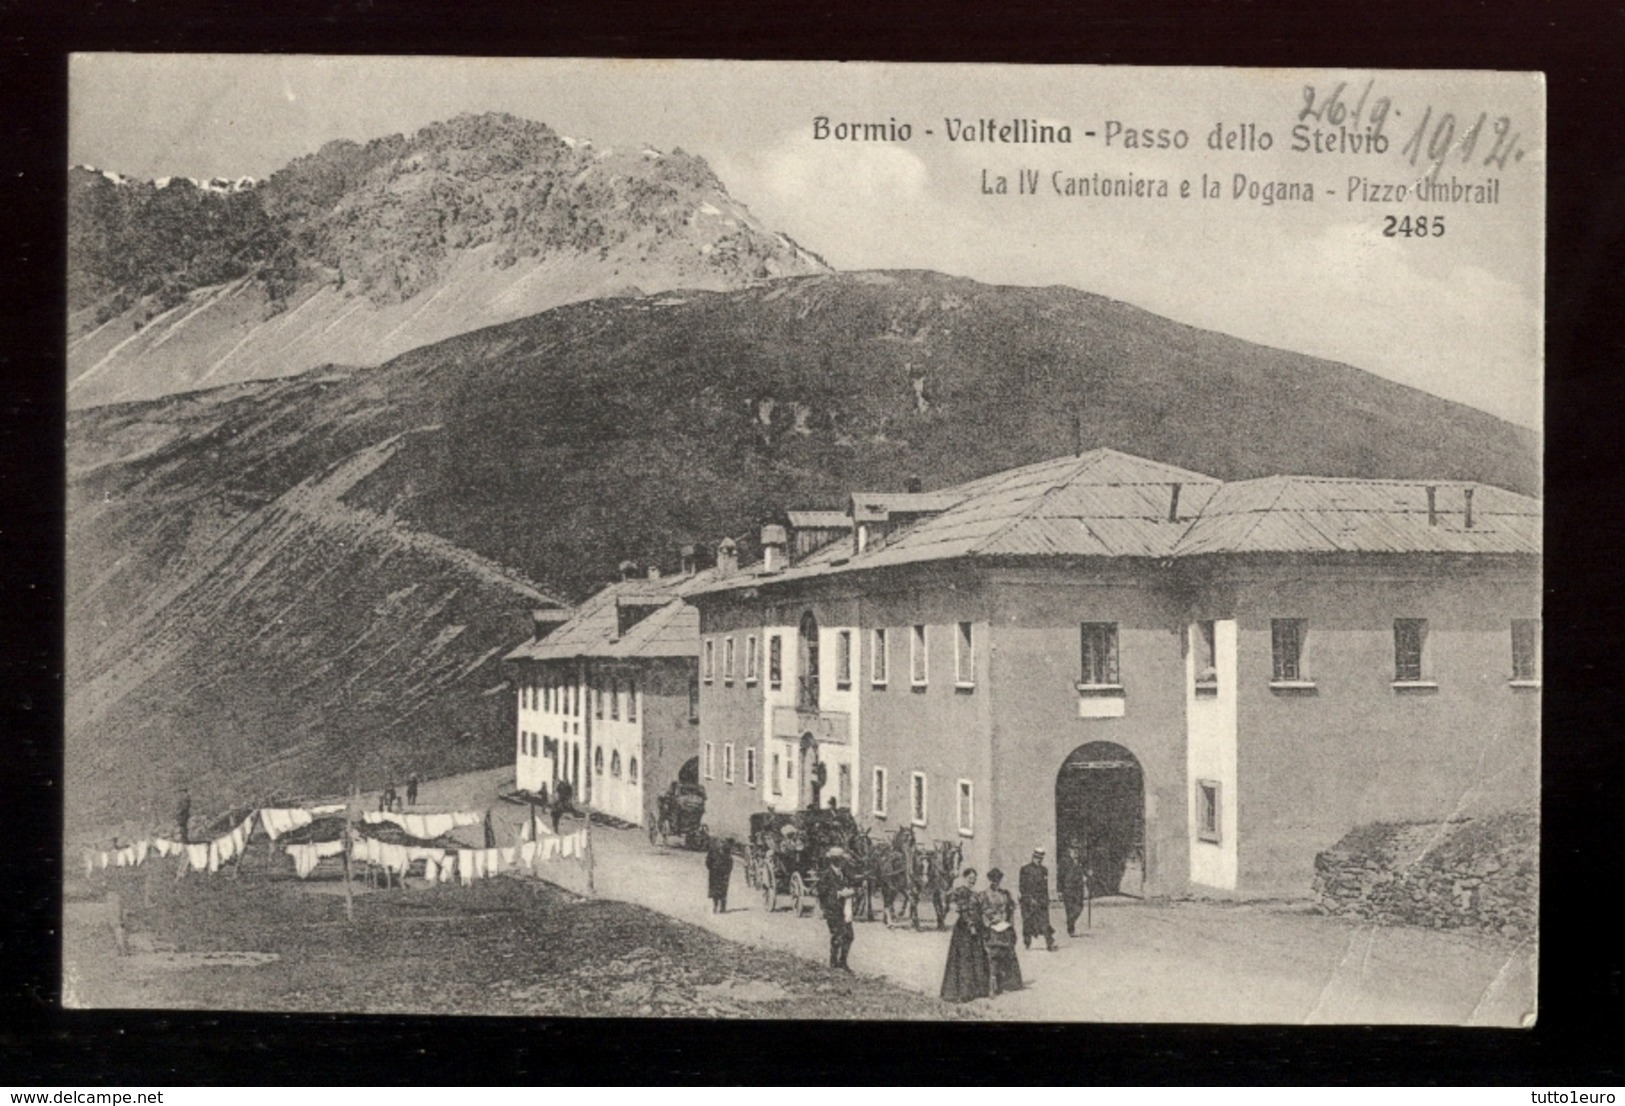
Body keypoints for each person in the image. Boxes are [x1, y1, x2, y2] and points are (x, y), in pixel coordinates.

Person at [940, 868, 991, 1002]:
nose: (972, 880)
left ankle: (976, 990)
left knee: (977, 956)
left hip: (976, 928)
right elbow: (962, 909)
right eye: (970, 877)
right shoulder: (961, 891)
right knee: (964, 958)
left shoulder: (975, 893)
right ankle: (962, 992)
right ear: (965, 877)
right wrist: (970, 925)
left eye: (974, 877)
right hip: (964, 929)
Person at [979, 868, 1023, 995]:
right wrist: (991, 920)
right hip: (992, 927)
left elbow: (1011, 909)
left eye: (998, 880)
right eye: (994, 880)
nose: (996, 882)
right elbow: (983, 910)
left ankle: (1005, 983)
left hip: (1004, 927)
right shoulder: (984, 894)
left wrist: (1010, 924)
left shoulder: (1005, 894)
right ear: (990, 880)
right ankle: (991, 986)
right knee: (992, 955)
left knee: (1006, 954)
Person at [817, 845, 857, 971]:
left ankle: (843, 961)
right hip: (832, 910)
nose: (842, 862)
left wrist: (852, 891)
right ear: (834, 860)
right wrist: (838, 894)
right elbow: (821, 892)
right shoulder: (826, 875)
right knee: (837, 935)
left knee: (849, 936)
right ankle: (833, 962)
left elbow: (852, 884)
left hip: (845, 909)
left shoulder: (844, 874)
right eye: (840, 860)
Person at [1019, 847, 1058, 951]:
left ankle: (1049, 943)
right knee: (1028, 922)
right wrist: (1029, 898)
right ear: (1033, 857)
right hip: (1028, 900)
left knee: (1045, 922)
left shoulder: (1044, 870)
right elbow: (1022, 887)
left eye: (1041, 858)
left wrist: (1046, 899)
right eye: (1037, 857)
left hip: (1041, 901)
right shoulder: (1025, 869)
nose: (1039, 860)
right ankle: (1027, 941)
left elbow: (1044, 887)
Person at [1059, 843, 1090, 937]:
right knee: (1069, 909)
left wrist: (1088, 873)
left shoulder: (1081, 860)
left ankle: (1070, 922)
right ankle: (1071, 929)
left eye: (1077, 849)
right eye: (1073, 849)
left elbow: (1085, 871)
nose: (1075, 851)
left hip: (1079, 888)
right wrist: (1060, 891)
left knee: (1079, 907)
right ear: (1069, 850)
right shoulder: (1064, 861)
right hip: (1068, 888)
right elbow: (1060, 876)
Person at [705, 836, 735, 912]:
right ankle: (715, 906)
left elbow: (730, 862)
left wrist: (728, 871)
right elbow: (708, 861)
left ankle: (722, 907)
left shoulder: (727, 851)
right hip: (714, 873)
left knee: (723, 890)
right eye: (720, 842)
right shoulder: (712, 851)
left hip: (724, 873)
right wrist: (711, 868)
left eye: (723, 842)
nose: (721, 844)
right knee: (714, 891)